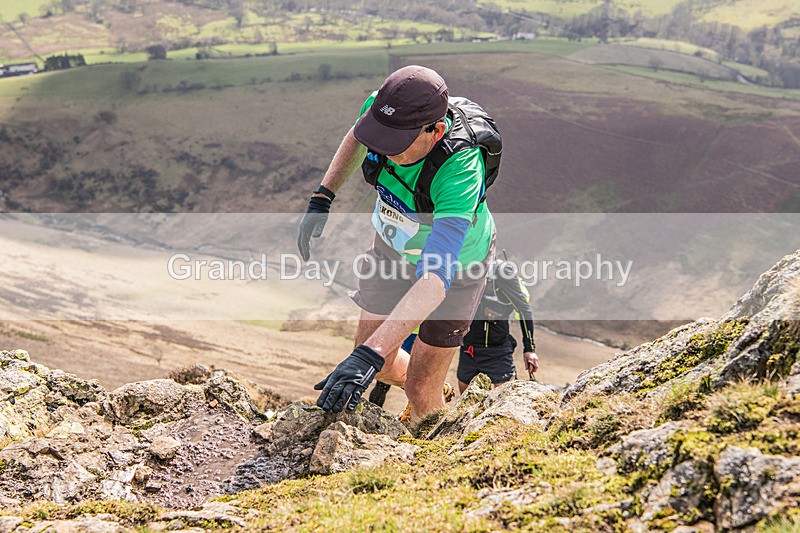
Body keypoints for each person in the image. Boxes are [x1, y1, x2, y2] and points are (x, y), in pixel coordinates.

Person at [297, 65, 496, 423]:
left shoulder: (460, 171)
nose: (385, 152)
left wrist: (369, 353)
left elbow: (436, 277)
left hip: (457, 269)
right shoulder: (383, 109)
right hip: (391, 250)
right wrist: (323, 196)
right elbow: (358, 137)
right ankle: (432, 387)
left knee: (420, 390)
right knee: (381, 364)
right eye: (382, 139)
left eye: (396, 144)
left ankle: (431, 442)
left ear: (435, 132)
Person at [457, 258, 539, 393]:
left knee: (503, 398)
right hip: (468, 348)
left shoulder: (503, 271)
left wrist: (529, 349)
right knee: (465, 401)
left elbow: (523, 310)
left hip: (497, 350)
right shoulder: (464, 265)